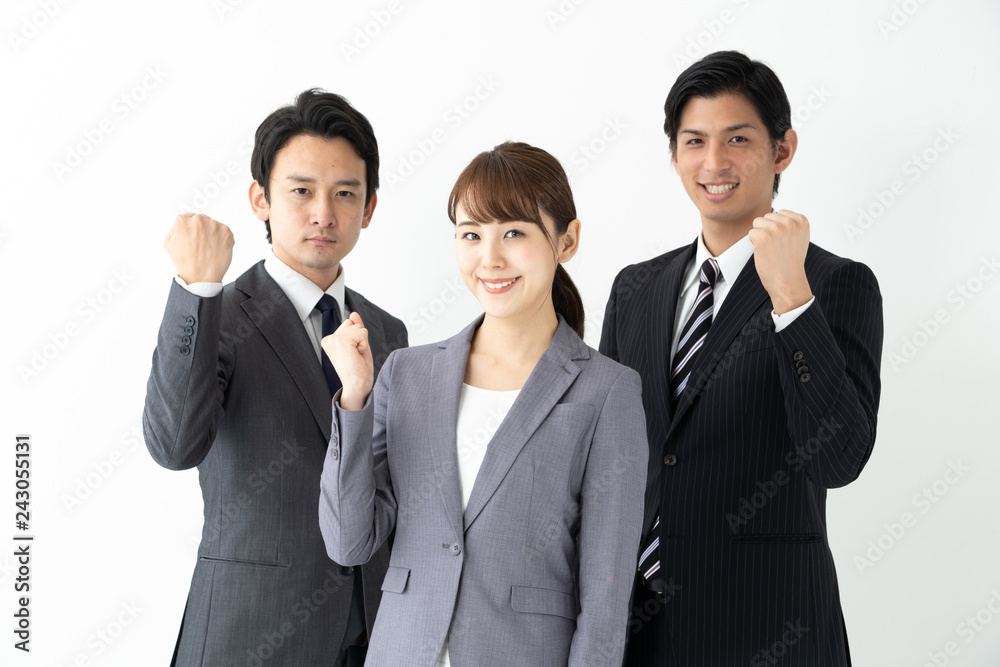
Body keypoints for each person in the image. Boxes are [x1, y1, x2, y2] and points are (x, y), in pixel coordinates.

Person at [600, 51, 883, 666]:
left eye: (738, 139)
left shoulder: (834, 286)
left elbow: (839, 458)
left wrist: (791, 299)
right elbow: (610, 460)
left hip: (770, 627)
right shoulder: (635, 290)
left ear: (782, 150)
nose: (714, 163)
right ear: (674, 154)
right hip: (637, 630)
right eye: (694, 141)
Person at [318, 142, 648, 666]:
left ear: (568, 240)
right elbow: (349, 543)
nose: (489, 258)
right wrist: (355, 398)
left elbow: (605, 596)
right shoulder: (406, 373)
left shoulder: (607, 392)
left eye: (514, 233)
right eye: (471, 235)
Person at [142, 89, 407, 666]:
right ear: (260, 199)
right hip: (248, 633)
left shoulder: (387, 332)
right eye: (301, 191)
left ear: (369, 209)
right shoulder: (220, 311)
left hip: (367, 641)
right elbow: (173, 446)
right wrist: (196, 289)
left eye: (345, 194)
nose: (323, 214)